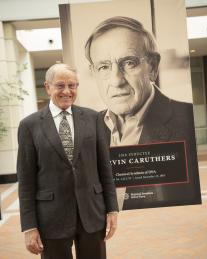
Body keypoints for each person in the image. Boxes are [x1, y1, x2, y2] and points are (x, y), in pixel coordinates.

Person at [85, 16, 200, 210]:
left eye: (129, 63)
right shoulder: (89, 127)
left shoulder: (187, 121)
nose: (116, 80)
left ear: (153, 67)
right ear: (94, 72)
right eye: (104, 67)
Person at [17, 63, 118, 259]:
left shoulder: (92, 118)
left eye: (72, 85)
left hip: (91, 212)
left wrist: (112, 209)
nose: (67, 91)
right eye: (60, 85)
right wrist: (29, 226)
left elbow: (105, 168)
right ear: (47, 87)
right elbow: (26, 180)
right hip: (51, 218)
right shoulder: (29, 125)